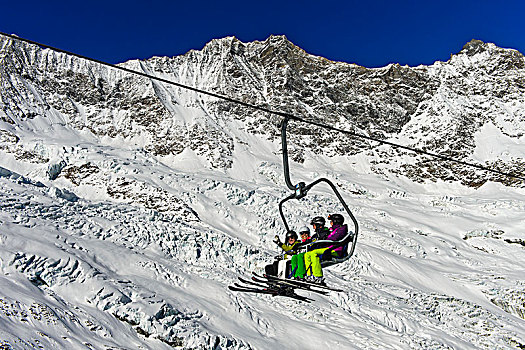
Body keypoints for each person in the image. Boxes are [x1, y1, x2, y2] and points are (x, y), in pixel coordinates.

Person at [304, 214, 348, 284]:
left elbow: (334, 238)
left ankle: (318, 277)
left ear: (335, 221)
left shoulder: (341, 229)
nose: (330, 223)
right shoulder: (334, 230)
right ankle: (309, 275)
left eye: (331, 221)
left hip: (335, 250)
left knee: (314, 253)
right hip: (329, 249)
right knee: (307, 254)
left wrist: (325, 238)